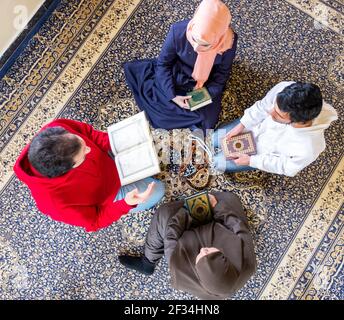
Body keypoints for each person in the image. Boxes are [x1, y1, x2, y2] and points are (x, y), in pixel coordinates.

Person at [13, 119, 165, 232]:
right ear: (67, 171)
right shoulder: (56, 204)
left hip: (108, 158)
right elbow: (95, 221)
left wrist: (113, 142)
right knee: (159, 189)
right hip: (111, 194)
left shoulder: (55, 128)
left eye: (82, 143)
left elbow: (88, 133)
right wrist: (125, 204)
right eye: (83, 155)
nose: (89, 150)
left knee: (148, 142)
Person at [118, 192, 256, 300]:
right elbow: (237, 225)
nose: (203, 249)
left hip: (184, 232)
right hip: (217, 226)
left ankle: (148, 262)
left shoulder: (179, 269)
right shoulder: (247, 260)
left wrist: (188, 210)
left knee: (164, 213)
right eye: (210, 252)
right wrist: (217, 206)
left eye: (201, 256)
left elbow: (172, 234)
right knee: (230, 199)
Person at [124, 0, 238, 131]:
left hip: (205, 82)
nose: (196, 47)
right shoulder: (177, 31)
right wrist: (172, 96)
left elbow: (221, 77)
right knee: (162, 114)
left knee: (206, 123)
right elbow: (163, 64)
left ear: (218, 37)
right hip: (178, 75)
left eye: (205, 44)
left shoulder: (228, 43)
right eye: (194, 39)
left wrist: (201, 96)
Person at [212, 81, 338, 177]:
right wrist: (242, 125)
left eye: (278, 114)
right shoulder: (285, 88)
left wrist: (251, 161)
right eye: (274, 107)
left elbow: (287, 167)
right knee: (212, 138)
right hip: (254, 126)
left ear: (300, 122)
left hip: (260, 154)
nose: (270, 113)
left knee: (216, 162)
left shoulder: (309, 147)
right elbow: (261, 108)